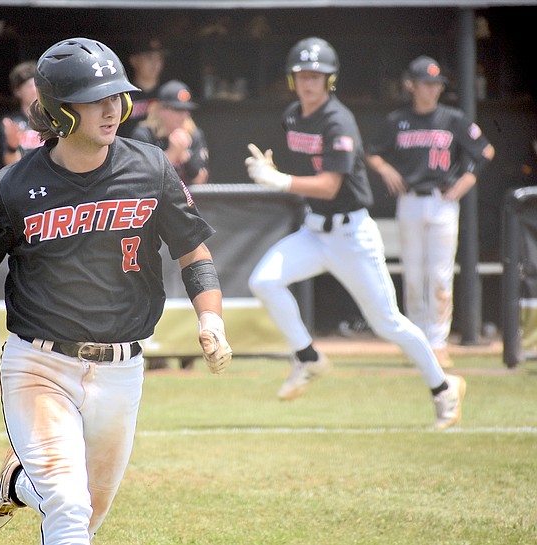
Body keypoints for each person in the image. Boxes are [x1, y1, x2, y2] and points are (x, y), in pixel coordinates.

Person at [0, 37, 232, 544]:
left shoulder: (150, 167)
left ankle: (16, 484)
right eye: (94, 98)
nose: (111, 108)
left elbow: (193, 250)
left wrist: (210, 318)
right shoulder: (16, 185)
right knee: (67, 503)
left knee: (89, 510)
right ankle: (32, 483)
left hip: (122, 368)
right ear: (60, 111)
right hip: (40, 364)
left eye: (115, 96)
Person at [244, 37, 465, 430]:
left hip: (351, 235)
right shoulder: (294, 114)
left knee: (388, 323)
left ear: (330, 79)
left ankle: (444, 387)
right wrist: (278, 171)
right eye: (301, 75)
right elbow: (312, 171)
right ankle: (308, 358)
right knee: (263, 280)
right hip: (314, 231)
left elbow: (329, 185)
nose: (308, 82)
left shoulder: (338, 119)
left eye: (316, 75)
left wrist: (279, 181)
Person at [366, 56, 495, 369]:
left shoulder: (452, 118)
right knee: (413, 275)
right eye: (426, 83)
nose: (432, 90)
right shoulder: (398, 120)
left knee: (439, 276)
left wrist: (466, 182)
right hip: (410, 200)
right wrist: (386, 170)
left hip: (442, 202)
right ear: (411, 85)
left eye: (436, 84)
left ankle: (437, 344)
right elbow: (371, 151)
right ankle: (417, 342)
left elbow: (485, 151)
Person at [130, 78, 210, 370]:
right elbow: (139, 176)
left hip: (179, 218)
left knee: (187, 280)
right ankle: (155, 350)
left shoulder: (194, 133)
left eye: (186, 110)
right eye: (175, 109)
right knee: (150, 280)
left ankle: (188, 348)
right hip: (146, 221)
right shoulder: (143, 133)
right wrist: (173, 154)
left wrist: (187, 158)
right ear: (160, 109)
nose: (182, 115)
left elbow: (200, 177)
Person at [116, 36, 166, 138]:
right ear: (134, 60)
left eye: (159, 58)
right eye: (149, 58)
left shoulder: (167, 94)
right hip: (129, 150)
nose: (155, 64)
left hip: (161, 151)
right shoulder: (124, 96)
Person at [0, 60, 42, 167]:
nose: (34, 90)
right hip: (24, 177)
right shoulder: (12, 123)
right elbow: (11, 166)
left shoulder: (54, 120)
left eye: (37, 85)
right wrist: (12, 146)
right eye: (29, 86)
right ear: (17, 91)